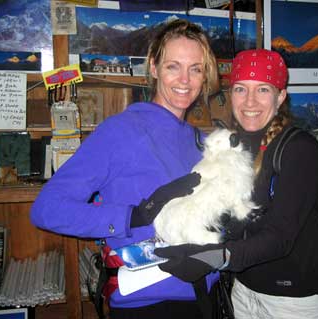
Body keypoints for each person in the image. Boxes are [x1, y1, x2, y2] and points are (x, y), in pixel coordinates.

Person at [30, 19, 220, 319]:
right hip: (150, 306)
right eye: (173, 66)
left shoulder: (202, 142)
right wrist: (132, 216)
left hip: (205, 297)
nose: (185, 79)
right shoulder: (120, 132)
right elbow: (47, 208)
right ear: (154, 68)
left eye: (195, 68)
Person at [154, 48, 318, 318]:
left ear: (280, 97)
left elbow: (279, 238)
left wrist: (215, 257)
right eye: (241, 89)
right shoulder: (233, 147)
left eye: (263, 90)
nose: (250, 101)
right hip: (243, 291)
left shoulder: (299, 150)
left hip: (294, 301)